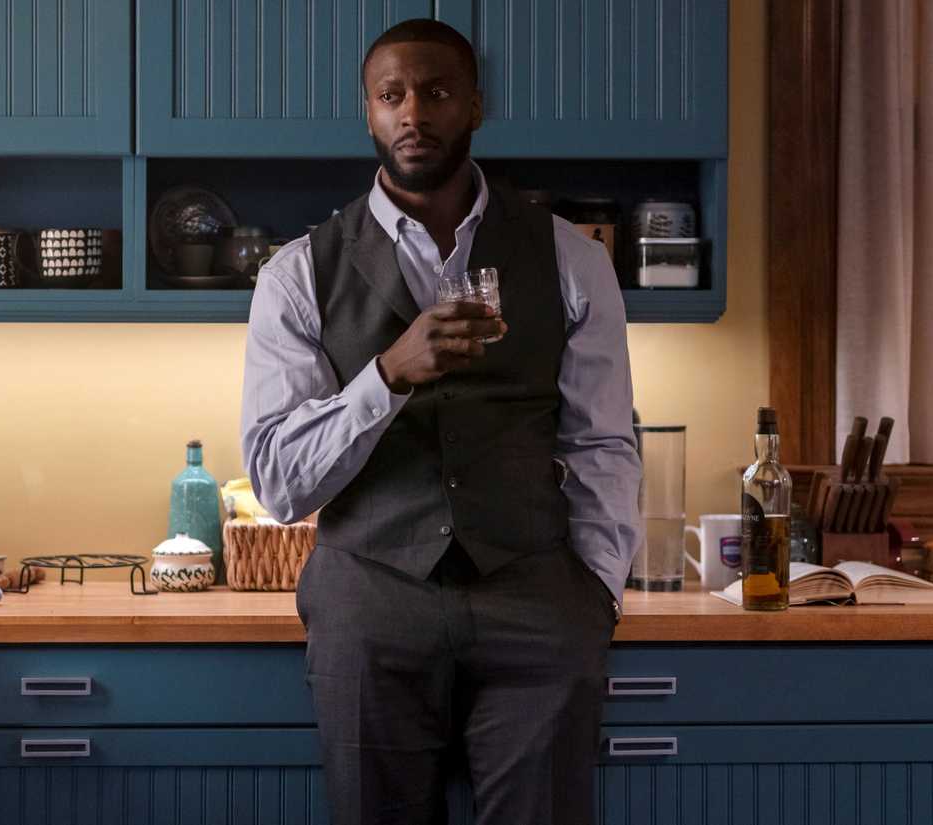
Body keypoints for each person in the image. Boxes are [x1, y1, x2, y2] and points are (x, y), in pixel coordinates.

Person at [240, 18, 641, 825]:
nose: (413, 113)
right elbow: (280, 484)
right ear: (368, 111)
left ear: (475, 106)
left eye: (437, 91)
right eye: (391, 95)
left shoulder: (572, 258)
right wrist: (387, 373)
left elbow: (602, 441)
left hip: (537, 600)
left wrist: (595, 590)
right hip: (369, 605)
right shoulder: (296, 273)